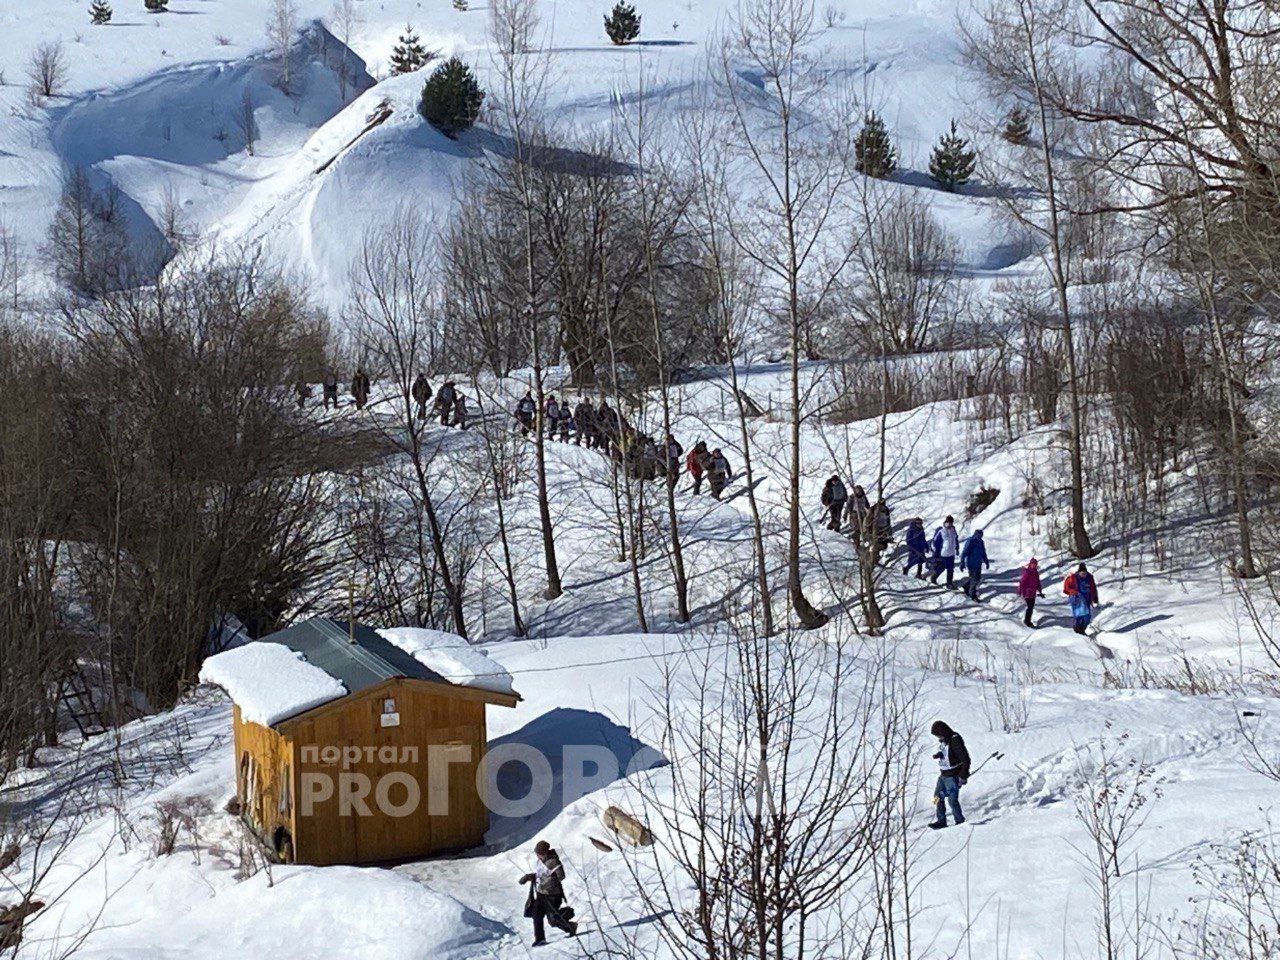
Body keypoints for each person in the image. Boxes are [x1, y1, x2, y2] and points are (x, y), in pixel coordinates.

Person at [518, 840, 577, 945]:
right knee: (536, 915)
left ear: (545, 852)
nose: (538, 856)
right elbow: (540, 874)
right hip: (541, 894)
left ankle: (571, 926)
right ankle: (540, 939)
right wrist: (528, 877)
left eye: (540, 853)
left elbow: (561, 876)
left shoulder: (554, 861)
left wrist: (550, 880)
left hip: (553, 895)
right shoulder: (540, 861)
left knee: (553, 920)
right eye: (537, 853)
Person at [928, 721, 970, 829]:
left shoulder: (955, 739)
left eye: (938, 734)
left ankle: (959, 821)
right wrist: (939, 755)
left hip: (953, 776)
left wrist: (963, 775)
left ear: (943, 731)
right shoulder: (944, 741)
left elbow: (965, 759)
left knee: (952, 801)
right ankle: (941, 821)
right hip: (943, 775)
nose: (938, 737)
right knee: (936, 797)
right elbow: (948, 754)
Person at [1063, 563, 1100, 635]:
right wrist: (1074, 592)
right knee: (1078, 616)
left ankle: (1082, 629)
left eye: (1085, 573)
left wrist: (1095, 597)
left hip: (1087, 599)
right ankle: (1078, 630)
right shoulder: (1073, 577)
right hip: (1077, 600)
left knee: (1087, 616)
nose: (1083, 575)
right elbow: (1067, 587)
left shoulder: (1089, 577)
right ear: (1079, 572)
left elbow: (1093, 588)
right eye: (1082, 573)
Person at [959, 528, 990, 600]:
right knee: (974, 579)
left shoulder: (981, 542)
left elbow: (983, 552)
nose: (980, 537)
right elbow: (964, 552)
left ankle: (966, 586)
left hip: (978, 563)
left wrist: (986, 561)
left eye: (981, 536)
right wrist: (962, 562)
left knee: (978, 578)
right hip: (971, 563)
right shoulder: (971, 541)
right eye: (979, 536)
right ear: (976, 535)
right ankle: (973, 595)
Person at [929, 516, 960, 588]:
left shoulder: (953, 530)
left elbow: (956, 539)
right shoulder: (941, 531)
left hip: (951, 553)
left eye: (951, 523)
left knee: (950, 569)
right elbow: (936, 543)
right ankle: (934, 577)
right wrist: (936, 554)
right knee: (941, 568)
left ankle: (949, 583)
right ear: (945, 522)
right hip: (943, 554)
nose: (950, 524)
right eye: (948, 523)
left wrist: (957, 548)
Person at [1018, 558, 1045, 627]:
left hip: (1033, 593)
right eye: (1033, 564)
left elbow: (1038, 582)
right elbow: (1022, 582)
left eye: (1035, 564)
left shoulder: (1036, 572)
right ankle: (1027, 621)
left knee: (1031, 607)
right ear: (1030, 564)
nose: (1034, 565)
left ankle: (1028, 620)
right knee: (1030, 607)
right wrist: (1020, 591)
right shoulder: (1027, 572)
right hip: (1027, 592)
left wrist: (1040, 591)